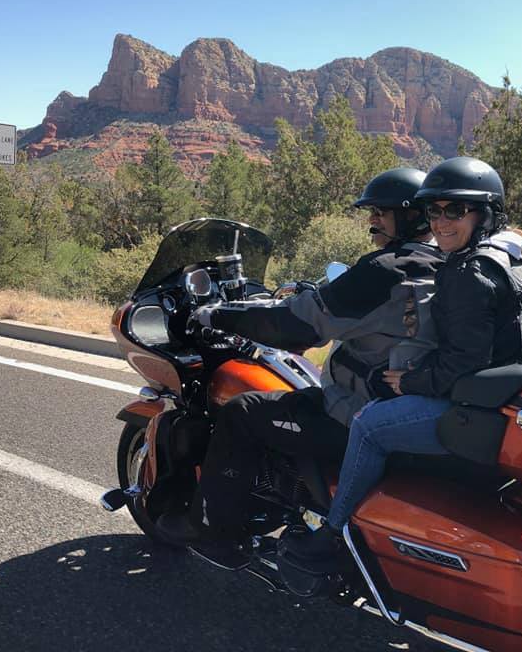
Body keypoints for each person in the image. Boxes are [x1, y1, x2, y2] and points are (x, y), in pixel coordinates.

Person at [281, 156, 522, 571]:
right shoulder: (512, 255)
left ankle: (335, 534)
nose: (442, 222)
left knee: (369, 425)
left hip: (471, 402)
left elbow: (464, 362)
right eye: (434, 210)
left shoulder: (471, 272)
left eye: (456, 210)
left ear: (485, 213)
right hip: (501, 390)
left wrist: (412, 381)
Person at [155, 167, 444, 548]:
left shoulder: (386, 270)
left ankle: (212, 526)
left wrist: (217, 315)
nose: (372, 220)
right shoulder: (443, 265)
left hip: (355, 414)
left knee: (242, 412)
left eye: (381, 211)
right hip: (407, 410)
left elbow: (292, 325)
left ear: (411, 215)